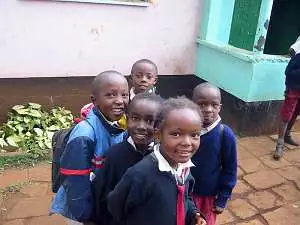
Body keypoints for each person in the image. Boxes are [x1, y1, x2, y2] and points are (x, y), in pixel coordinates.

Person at [107, 97, 207, 225]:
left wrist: (194, 214)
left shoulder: (184, 168)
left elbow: (185, 198)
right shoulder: (141, 175)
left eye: (194, 135)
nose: (187, 143)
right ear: (158, 135)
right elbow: (115, 205)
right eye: (176, 134)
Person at [50, 70, 129, 225]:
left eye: (124, 95)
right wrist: (85, 216)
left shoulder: (119, 124)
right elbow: (75, 180)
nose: (120, 101)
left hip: (99, 202)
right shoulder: (84, 135)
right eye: (111, 95)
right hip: (82, 209)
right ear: (94, 100)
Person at [92, 92, 163, 225]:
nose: (141, 126)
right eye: (135, 118)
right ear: (126, 118)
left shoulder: (164, 157)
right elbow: (102, 194)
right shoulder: (115, 155)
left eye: (149, 121)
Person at [191, 82, 237, 225]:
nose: (208, 110)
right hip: (184, 191)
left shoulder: (225, 134)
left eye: (214, 105)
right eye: (202, 104)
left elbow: (230, 168)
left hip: (208, 196)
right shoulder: (187, 130)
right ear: (192, 105)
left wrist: (223, 197)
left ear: (220, 107)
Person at [274, 37, 300, 160]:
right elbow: (288, 72)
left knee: (295, 113)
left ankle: (287, 136)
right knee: (286, 116)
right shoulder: (298, 57)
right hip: (293, 90)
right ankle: (279, 144)